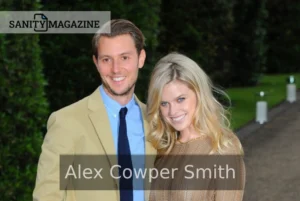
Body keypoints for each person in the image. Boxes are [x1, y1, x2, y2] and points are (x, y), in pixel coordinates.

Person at [33, 19, 156, 201]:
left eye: (124, 57)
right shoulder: (66, 121)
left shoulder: (156, 121)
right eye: (106, 59)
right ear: (96, 62)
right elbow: (47, 196)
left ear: (141, 58)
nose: (115, 69)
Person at [146, 52, 245, 200]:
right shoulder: (162, 149)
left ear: (199, 93)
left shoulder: (223, 148)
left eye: (180, 99)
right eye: (164, 103)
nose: (173, 111)